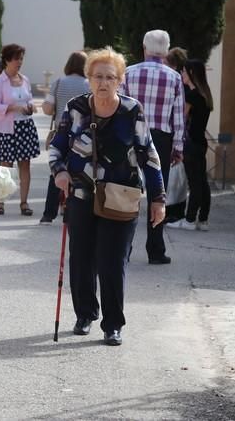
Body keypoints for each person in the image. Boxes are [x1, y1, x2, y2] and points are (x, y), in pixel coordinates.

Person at [50, 47, 165, 346]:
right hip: (80, 193)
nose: (103, 82)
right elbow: (58, 145)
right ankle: (85, 313)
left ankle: (113, 324)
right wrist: (59, 171)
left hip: (120, 195)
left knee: (112, 261)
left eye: (110, 77)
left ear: (120, 81)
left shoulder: (131, 111)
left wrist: (158, 198)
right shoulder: (76, 108)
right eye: (98, 76)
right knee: (82, 256)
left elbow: (148, 154)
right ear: (89, 79)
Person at [124, 30, 185, 265]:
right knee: (157, 194)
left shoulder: (129, 73)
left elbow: (122, 108)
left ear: (144, 48)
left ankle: (125, 248)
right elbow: (177, 117)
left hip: (132, 135)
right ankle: (156, 250)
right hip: (161, 138)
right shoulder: (175, 78)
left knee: (129, 191)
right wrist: (178, 147)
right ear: (167, 51)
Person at [0, 43, 40, 216]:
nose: (20, 62)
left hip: (25, 126)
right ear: (7, 60)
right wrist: (13, 108)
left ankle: (24, 203)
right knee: (5, 166)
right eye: (17, 59)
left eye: (21, 59)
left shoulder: (24, 80)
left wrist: (30, 106)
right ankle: (0, 202)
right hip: (6, 128)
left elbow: (29, 98)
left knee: (25, 165)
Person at [40, 50, 91, 224]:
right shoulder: (89, 84)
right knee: (79, 174)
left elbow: (47, 108)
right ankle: (70, 213)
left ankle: (48, 214)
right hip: (84, 137)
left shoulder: (58, 82)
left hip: (62, 132)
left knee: (57, 171)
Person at [168, 59, 213, 231]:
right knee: (202, 182)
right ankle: (203, 219)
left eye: (184, 72)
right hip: (200, 141)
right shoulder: (205, 94)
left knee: (194, 182)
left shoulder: (192, 96)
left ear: (192, 73)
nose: (181, 75)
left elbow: (182, 117)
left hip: (191, 142)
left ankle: (189, 219)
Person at [163, 47, 189, 223]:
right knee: (177, 179)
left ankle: (173, 211)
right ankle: (174, 210)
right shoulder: (182, 80)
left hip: (173, 133)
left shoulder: (173, 79)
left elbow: (180, 114)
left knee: (173, 178)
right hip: (181, 133)